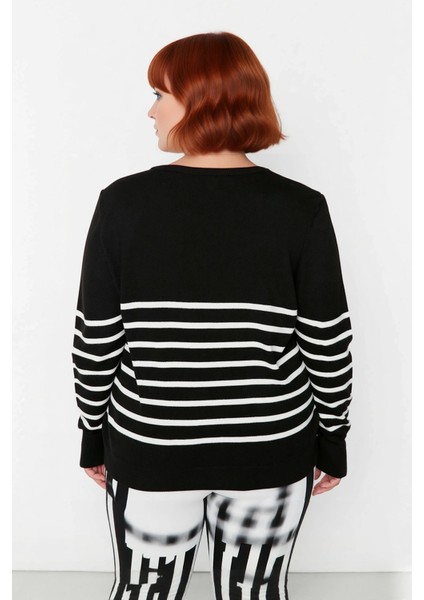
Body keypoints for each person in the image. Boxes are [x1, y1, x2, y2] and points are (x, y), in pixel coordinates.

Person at [71, 31, 353, 600]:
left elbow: (96, 338)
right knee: (255, 592)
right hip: (268, 447)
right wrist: (332, 439)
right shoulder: (300, 208)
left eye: (160, 94)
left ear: (202, 99)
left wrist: (93, 434)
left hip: (153, 446)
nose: (151, 111)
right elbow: (326, 341)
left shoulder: (123, 203)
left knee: (146, 590)